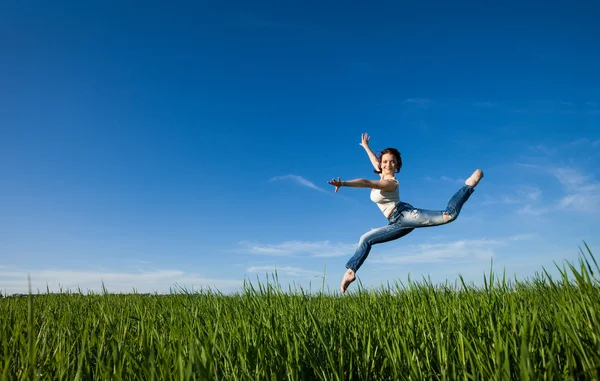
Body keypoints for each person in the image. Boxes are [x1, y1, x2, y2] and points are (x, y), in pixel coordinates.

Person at [328, 133, 484, 293]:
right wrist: (366, 147)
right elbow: (375, 161)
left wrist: (344, 183)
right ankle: (351, 271)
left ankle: (468, 186)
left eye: (392, 162)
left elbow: (367, 182)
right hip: (395, 223)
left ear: (397, 165)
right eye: (385, 162)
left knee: (448, 215)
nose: (388, 164)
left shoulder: (390, 183)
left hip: (405, 215)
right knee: (366, 239)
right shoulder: (381, 170)